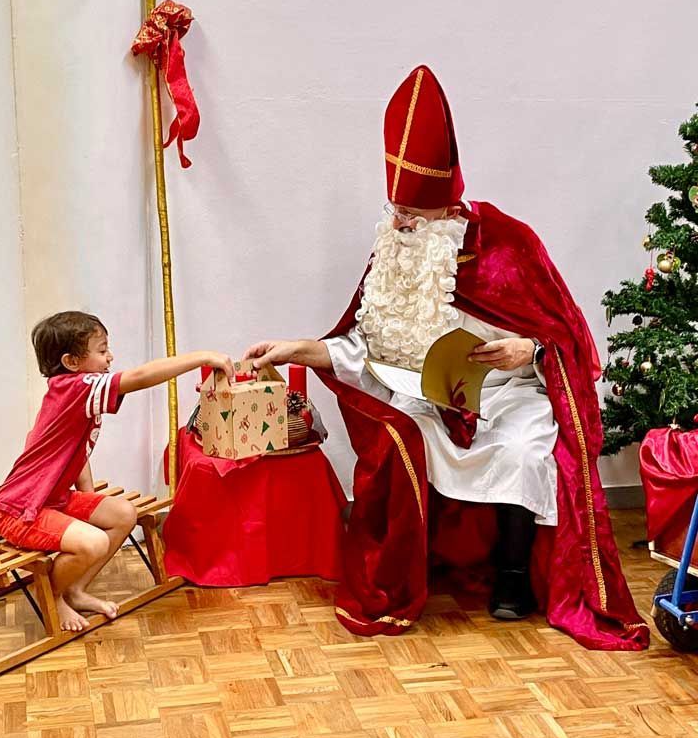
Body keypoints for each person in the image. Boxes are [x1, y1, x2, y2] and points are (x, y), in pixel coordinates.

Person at [246, 64, 648, 650]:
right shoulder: (396, 251)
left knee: (522, 449)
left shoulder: (509, 244)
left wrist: (528, 350)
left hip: (512, 394)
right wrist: (300, 349)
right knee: (403, 438)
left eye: (418, 216)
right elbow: (363, 343)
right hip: (432, 396)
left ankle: (512, 577)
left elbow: (568, 339)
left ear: (447, 207)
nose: (405, 225)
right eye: (398, 213)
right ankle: (414, 564)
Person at [0, 310, 233, 632]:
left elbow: (69, 448)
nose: (110, 357)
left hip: (54, 500)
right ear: (72, 362)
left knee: (123, 514)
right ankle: (54, 594)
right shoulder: (78, 387)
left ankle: (76, 589)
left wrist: (88, 498)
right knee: (94, 543)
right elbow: (140, 376)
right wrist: (202, 356)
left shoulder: (67, 391)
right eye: (102, 350)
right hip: (21, 508)